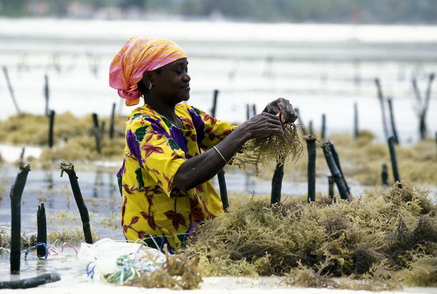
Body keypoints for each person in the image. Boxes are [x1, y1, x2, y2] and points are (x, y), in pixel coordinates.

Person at [109, 36, 297, 252]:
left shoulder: (186, 114)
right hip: (158, 244)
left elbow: (232, 138)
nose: (187, 77)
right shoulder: (143, 125)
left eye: (186, 69)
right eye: (178, 71)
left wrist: (269, 114)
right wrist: (246, 130)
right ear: (151, 77)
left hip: (199, 234)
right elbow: (183, 176)